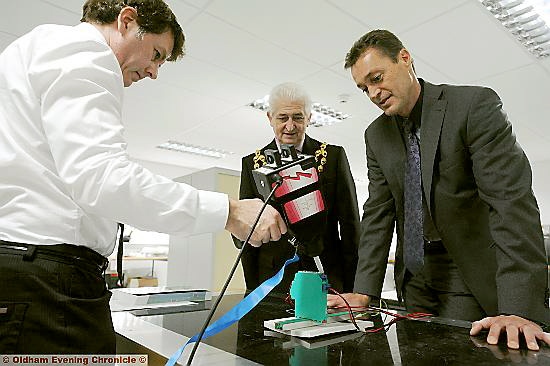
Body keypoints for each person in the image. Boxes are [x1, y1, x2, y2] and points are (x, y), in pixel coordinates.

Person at [0, 0, 285, 354]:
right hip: (50, 284)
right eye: (156, 54)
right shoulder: (86, 52)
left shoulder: (29, 49)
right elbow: (103, 179)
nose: (154, 72)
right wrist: (229, 211)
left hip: (19, 273)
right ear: (127, 19)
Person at [327, 29, 550, 351]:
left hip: (467, 270)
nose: (373, 93)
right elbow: (378, 214)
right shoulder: (376, 135)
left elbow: (509, 201)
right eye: (364, 88)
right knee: (416, 354)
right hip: (413, 275)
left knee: (459, 354)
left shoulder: (472, 105)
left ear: (405, 58)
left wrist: (519, 309)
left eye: (377, 78)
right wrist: (365, 290)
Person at [234, 82, 360, 294]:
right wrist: (252, 288)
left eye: (298, 117)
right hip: (272, 280)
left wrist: (353, 287)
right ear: (270, 118)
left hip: (328, 275)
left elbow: (350, 226)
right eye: (283, 118)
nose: (290, 126)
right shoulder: (252, 164)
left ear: (309, 118)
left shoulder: (333, 157)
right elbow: (249, 231)